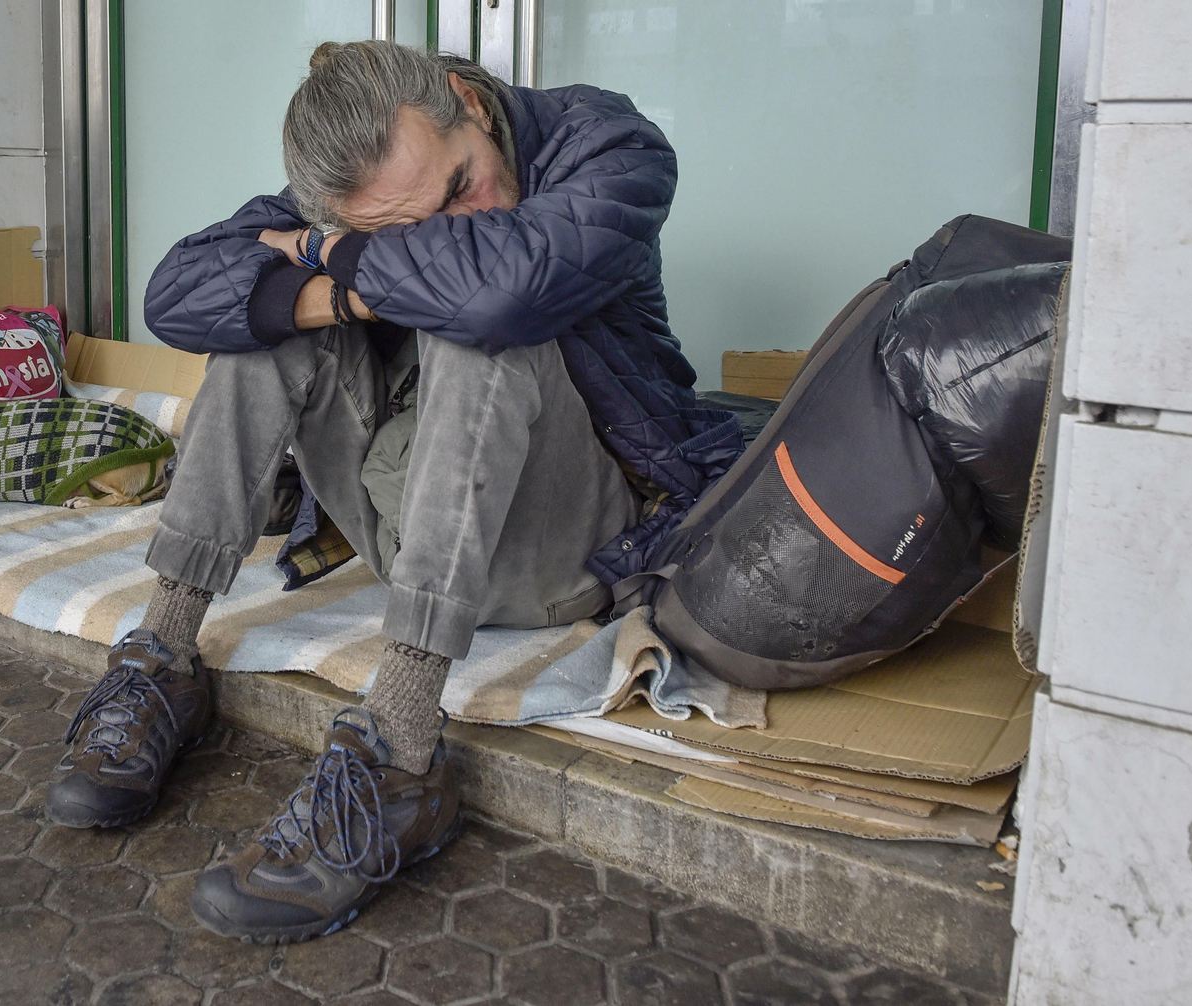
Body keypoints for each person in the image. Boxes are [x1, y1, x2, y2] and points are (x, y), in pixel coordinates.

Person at [46, 41, 739, 944]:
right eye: (399, 229)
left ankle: (402, 747)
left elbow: (503, 289)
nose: (462, 214)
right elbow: (175, 294)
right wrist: (336, 287)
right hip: (406, 530)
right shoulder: (358, 187)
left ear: (468, 103)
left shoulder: (606, 142)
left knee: (480, 321)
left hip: (562, 544)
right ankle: (164, 655)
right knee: (266, 321)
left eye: (460, 187)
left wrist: (338, 259)